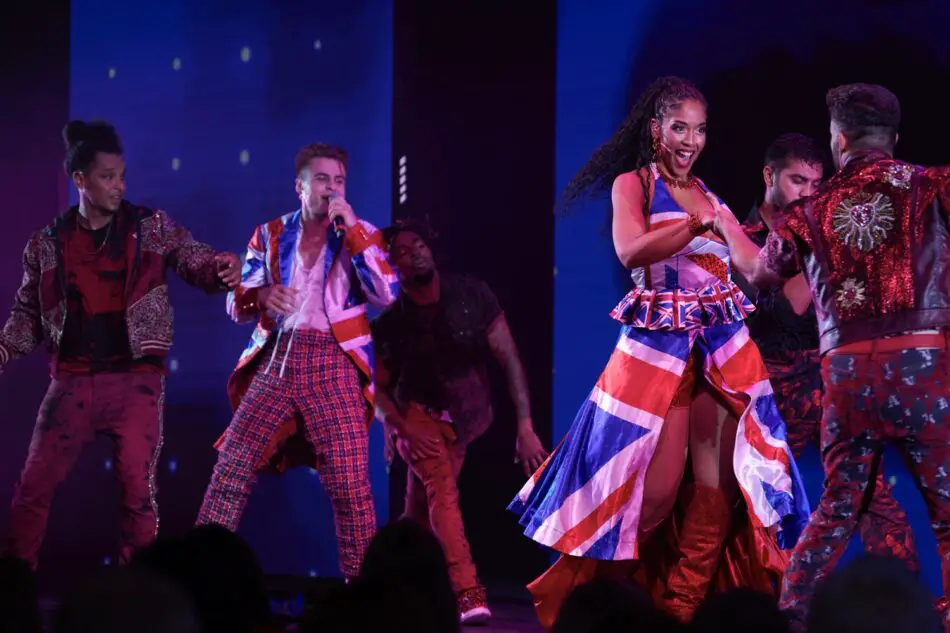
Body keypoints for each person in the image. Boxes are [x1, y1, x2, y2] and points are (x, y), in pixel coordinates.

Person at [508, 76, 810, 628]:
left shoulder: (712, 196)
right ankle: (602, 611)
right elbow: (630, 250)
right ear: (656, 130)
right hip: (660, 351)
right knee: (658, 495)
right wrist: (696, 226)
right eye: (679, 127)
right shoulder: (637, 185)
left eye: (699, 130)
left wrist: (796, 243)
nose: (690, 140)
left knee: (718, 490)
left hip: (719, 350)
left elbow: (754, 269)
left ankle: (678, 613)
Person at [714, 83, 950, 628]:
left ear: (838, 139)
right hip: (921, 370)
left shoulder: (809, 210)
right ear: (894, 138)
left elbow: (759, 275)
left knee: (836, 510)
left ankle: (791, 617)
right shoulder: (931, 185)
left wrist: (724, 222)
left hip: (846, 379)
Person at [0, 120, 240, 568]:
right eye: (107, 177)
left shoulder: (149, 226)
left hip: (135, 380)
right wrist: (2, 349)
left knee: (137, 494)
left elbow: (192, 257)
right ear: (80, 181)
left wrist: (218, 268)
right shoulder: (47, 243)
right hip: (71, 380)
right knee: (32, 489)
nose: (119, 185)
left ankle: (141, 597)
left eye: (121, 175)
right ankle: (12, 593)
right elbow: (28, 315)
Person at [196, 142, 399, 581]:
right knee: (231, 466)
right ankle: (199, 581)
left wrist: (356, 235)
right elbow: (236, 304)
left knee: (349, 486)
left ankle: (364, 596)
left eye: (339, 181)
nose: (331, 188)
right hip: (279, 359)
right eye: (322, 179)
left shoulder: (358, 233)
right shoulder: (268, 234)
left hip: (334, 361)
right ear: (300, 186)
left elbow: (387, 294)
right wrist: (262, 295)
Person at [734, 133, 917, 565]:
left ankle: (903, 604)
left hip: (830, 380)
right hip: (772, 389)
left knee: (873, 495)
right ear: (769, 176)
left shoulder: (824, 226)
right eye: (798, 181)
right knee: (758, 502)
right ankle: (750, 605)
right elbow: (782, 310)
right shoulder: (742, 238)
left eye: (817, 185)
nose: (809, 193)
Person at [372, 223, 549, 623]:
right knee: (444, 496)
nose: (416, 252)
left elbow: (509, 359)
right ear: (391, 266)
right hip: (417, 419)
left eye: (419, 245)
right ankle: (468, 592)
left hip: (464, 422)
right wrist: (399, 426)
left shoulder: (470, 295)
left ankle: (386, 585)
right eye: (403, 251)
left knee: (418, 516)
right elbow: (377, 390)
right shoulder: (391, 324)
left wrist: (524, 425)